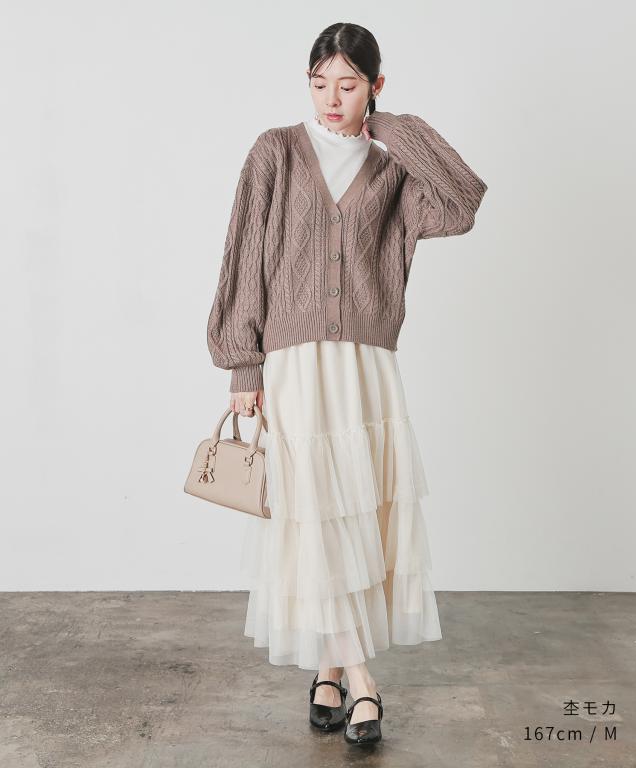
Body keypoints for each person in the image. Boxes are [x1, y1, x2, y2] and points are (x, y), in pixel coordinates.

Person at [206, 22, 488, 746]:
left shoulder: (393, 172)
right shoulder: (274, 152)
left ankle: (327, 673)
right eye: (319, 83)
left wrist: (391, 128)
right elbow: (244, 255)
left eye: (349, 84)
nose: (331, 98)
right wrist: (244, 363)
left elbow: (462, 202)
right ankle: (361, 679)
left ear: (375, 85)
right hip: (296, 365)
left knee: (353, 517)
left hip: (366, 366)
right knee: (315, 513)